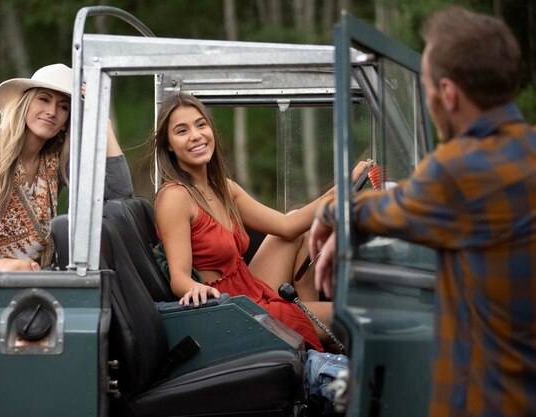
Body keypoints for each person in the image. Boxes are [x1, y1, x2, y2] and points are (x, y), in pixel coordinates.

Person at [310, 7, 536, 417]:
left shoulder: (461, 169)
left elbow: (385, 208)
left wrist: (331, 214)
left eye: (428, 88)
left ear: (447, 94)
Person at [152, 92, 369, 352]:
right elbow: (178, 277)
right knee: (352, 315)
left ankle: (314, 337)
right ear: (168, 145)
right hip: (230, 308)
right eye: (181, 131)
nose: (196, 135)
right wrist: (197, 289)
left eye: (201, 125)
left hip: (248, 286)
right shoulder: (175, 197)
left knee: (296, 230)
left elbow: (286, 226)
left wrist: (341, 188)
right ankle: (317, 336)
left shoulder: (223, 188)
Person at [0, 63, 133, 271]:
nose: (52, 112)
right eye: (44, 99)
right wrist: (3, 262)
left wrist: (105, 124)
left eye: (63, 106)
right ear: (26, 104)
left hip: (38, 270)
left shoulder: (58, 160)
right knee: (20, 269)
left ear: (67, 121)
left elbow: (119, 194)